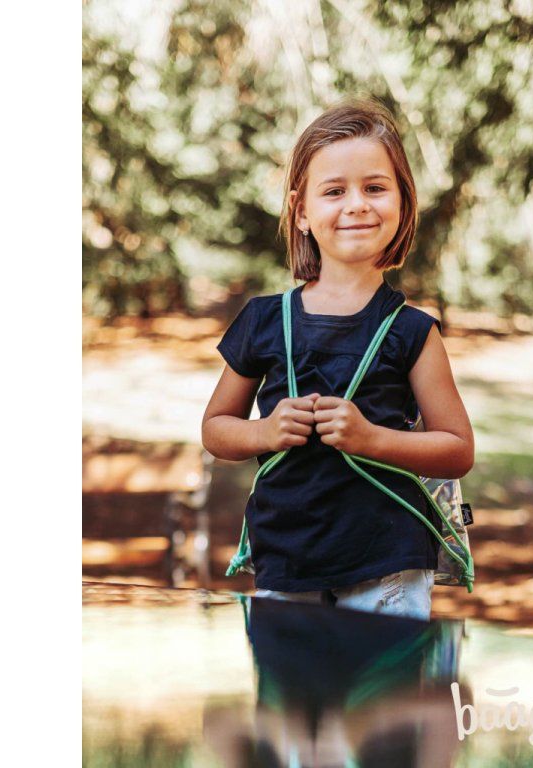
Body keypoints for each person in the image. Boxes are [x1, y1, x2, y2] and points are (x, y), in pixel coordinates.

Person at [201, 97, 474, 620]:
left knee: (382, 679)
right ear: (301, 212)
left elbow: (457, 449)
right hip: (286, 558)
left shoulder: (413, 332)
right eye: (334, 191)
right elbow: (216, 429)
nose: (356, 205)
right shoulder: (263, 320)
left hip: (389, 565)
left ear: (403, 203)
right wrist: (266, 431)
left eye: (375, 188)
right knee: (289, 677)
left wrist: (370, 439)